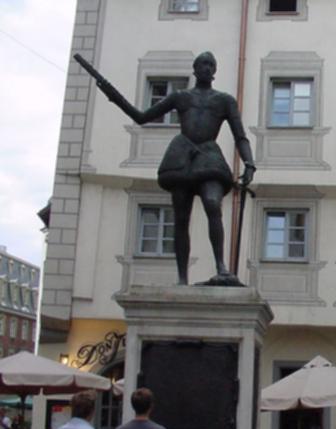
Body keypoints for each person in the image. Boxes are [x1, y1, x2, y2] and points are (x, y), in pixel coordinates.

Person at [90, 51, 256, 286]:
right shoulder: (181, 96)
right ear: (195, 69)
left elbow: (240, 136)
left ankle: (221, 266)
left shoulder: (224, 100)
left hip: (209, 156)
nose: (207, 68)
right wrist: (113, 96)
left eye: (211, 65)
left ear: (215, 70)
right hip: (183, 156)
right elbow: (142, 117)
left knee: (212, 204)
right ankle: (182, 278)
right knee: (181, 217)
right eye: (203, 64)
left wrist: (249, 162)